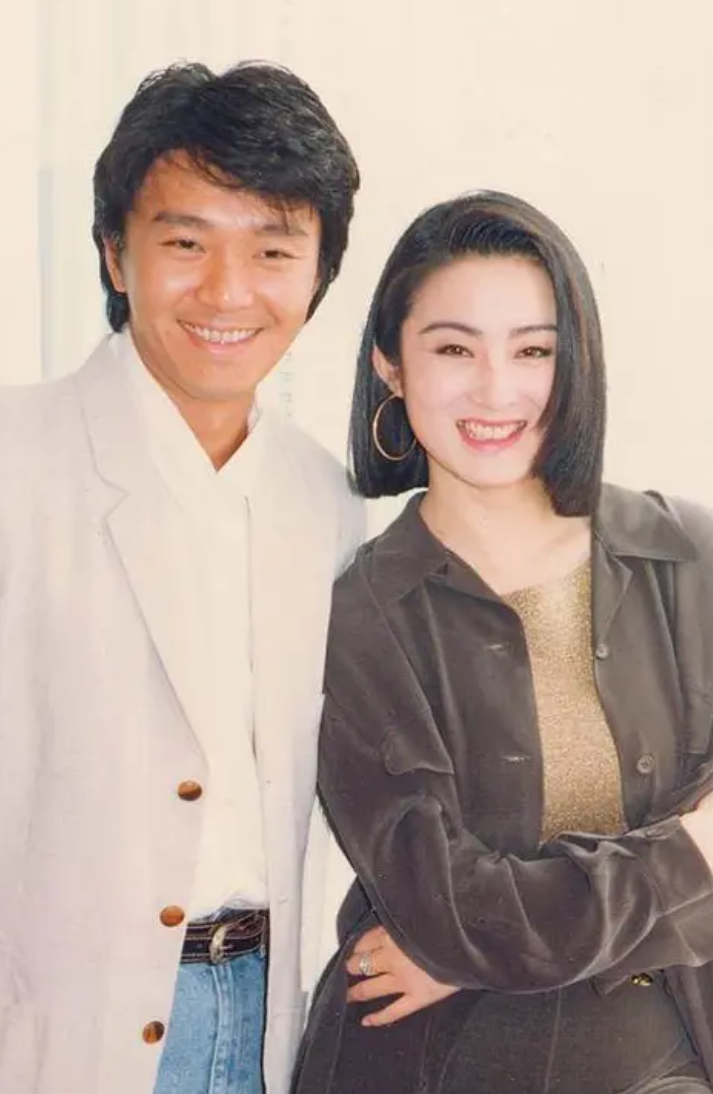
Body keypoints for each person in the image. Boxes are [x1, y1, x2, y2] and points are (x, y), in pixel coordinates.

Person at [0, 61, 362, 1094]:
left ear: (318, 274)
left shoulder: (326, 501)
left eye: (272, 249)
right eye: (186, 242)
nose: (227, 291)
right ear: (117, 254)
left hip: (259, 1025)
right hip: (35, 1038)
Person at [293, 190, 713, 1094]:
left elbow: (470, 933)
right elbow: (449, 913)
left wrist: (488, 951)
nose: (495, 390)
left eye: (533, 351)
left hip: (663, 1061)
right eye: (454, 349)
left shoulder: (688, 559)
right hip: (434, 1067)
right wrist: (691, 853)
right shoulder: (357, 617)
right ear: (391, 366)